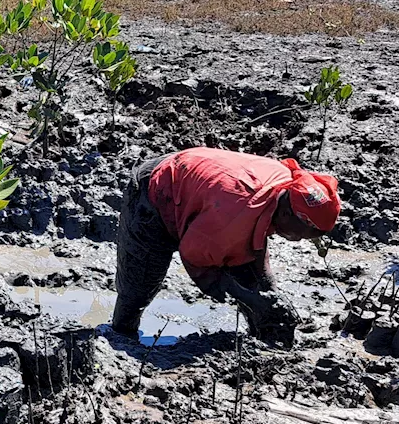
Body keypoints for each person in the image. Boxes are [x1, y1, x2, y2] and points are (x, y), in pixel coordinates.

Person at [112, 147, 341, 346]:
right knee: (139, 285)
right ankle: (121, 337)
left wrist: (269, 295)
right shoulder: (234, 218)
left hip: (201, 183)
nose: (298, 240)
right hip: (155, 192)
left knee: (255, 280)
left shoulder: (283, 184)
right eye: (300, 235)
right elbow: (196, 259)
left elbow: (255, 247)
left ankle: (266, 338)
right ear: (286, 212)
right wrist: (248, 297)